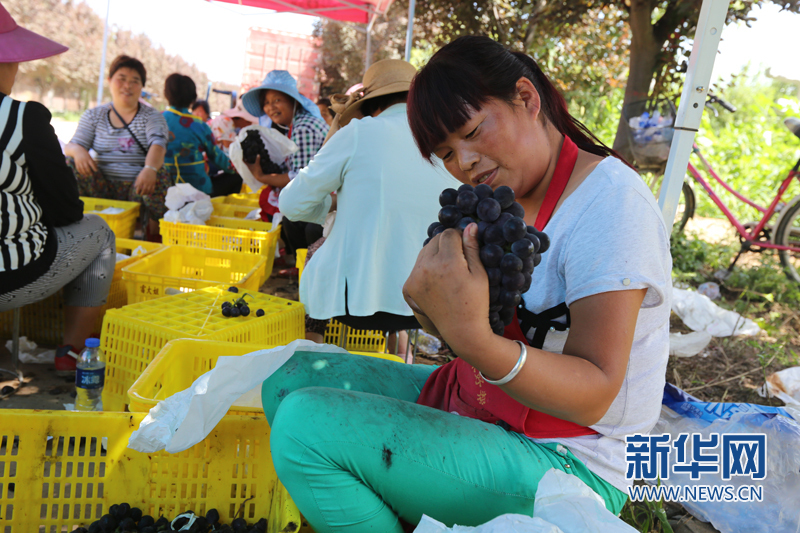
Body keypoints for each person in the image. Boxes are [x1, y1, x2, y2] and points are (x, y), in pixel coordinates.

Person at [261, 36, 671, 532]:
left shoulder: (611, 204)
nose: (465, 162)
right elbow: (481, 323)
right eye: (447, 153)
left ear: (526, 97)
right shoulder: (500, 199)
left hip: (569, 461)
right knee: (290, 380)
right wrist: (433, 310)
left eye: (473, 131)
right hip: (486, 402)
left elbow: (595, 392)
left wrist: (471, 339)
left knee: (305, 427)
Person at [278, 59, 459, 346]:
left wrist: (330, 208)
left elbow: (291, 204)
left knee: (316, 250)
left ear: (371, 105)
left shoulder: (358, 132)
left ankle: (312, 350)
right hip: (430, 304)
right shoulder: (450, 139)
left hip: (354, 304)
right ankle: (399, 355)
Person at [0, 3, 115, 374]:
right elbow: (66, 209)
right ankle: (72, 351)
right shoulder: (23, 119)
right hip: (12, 274)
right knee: (99, 232)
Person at [64, 55, 169, 241]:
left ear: (141, 87)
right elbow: (72, 145)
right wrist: (78, 151)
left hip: (139, 187)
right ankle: (76, 229)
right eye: (122, 79)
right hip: (101, 186)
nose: (127, 86)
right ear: (110, 81)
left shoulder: (152, 116)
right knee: (70, 164)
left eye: (135, 81)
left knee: (159, 172)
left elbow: (158, 145)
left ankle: (153, 235)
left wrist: (150, 169)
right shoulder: (94, 115)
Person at [241, 70, 328, 255]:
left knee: (292, 217)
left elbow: (300, 179)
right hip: (321, 193)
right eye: (266, 102)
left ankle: (302, 262)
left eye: (277, 100)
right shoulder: (296, 125)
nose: (270, 107)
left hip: (329, 199)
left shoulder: (303, 128)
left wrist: (261, 177)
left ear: (293, 101)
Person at [162, 73, 238, 196]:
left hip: (163, 189)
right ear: (193, 99)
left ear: (166, 94)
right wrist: (238, 168)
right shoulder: (200, 125)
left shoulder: (156, 120)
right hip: (198, 190)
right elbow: (217, 157)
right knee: (236, 177)